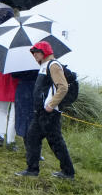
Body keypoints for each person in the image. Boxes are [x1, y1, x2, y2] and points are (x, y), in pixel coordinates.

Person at [16, 41, 75, 179]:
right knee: (32, 137)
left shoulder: (53, 65)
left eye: (36, 52)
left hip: (50, 113)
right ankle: (32, 170)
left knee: (56, 142)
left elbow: (63, 87)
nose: (34, 55)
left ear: (44, 52)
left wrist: (51, 105)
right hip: (41, 113)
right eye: (33, 52)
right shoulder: (44, 66)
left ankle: (68, 172)